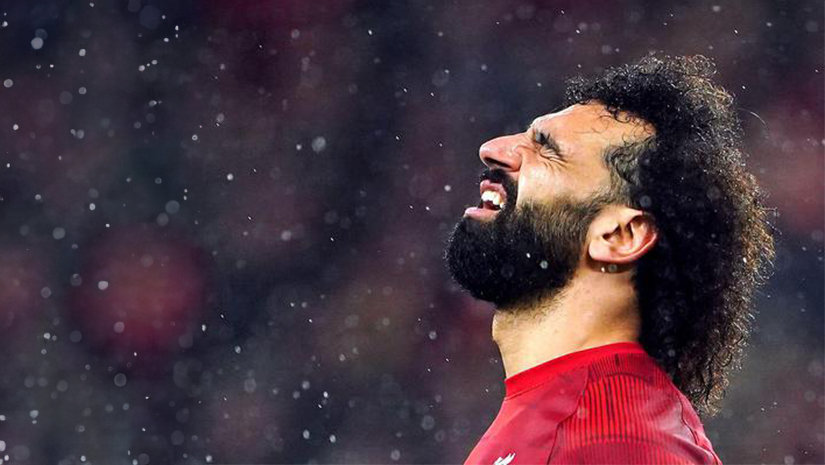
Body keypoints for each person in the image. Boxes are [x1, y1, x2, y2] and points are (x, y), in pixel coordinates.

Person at [445, 55, 776, 464]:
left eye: (547, 150)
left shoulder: (618, 444)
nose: (493, 149)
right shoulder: (561, 416)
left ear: (620, 236)